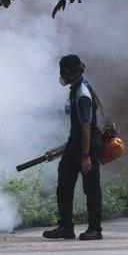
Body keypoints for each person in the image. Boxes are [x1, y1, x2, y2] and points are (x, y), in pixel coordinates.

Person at [43, 54, 103, 240]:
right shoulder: (77, 88)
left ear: (71, 73)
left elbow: (86, 127)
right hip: (76, 142)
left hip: (86, 144)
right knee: (64, 183)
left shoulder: (82, 93)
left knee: (91, 187)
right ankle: (66, 227)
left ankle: (95, 229)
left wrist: (85, 156)